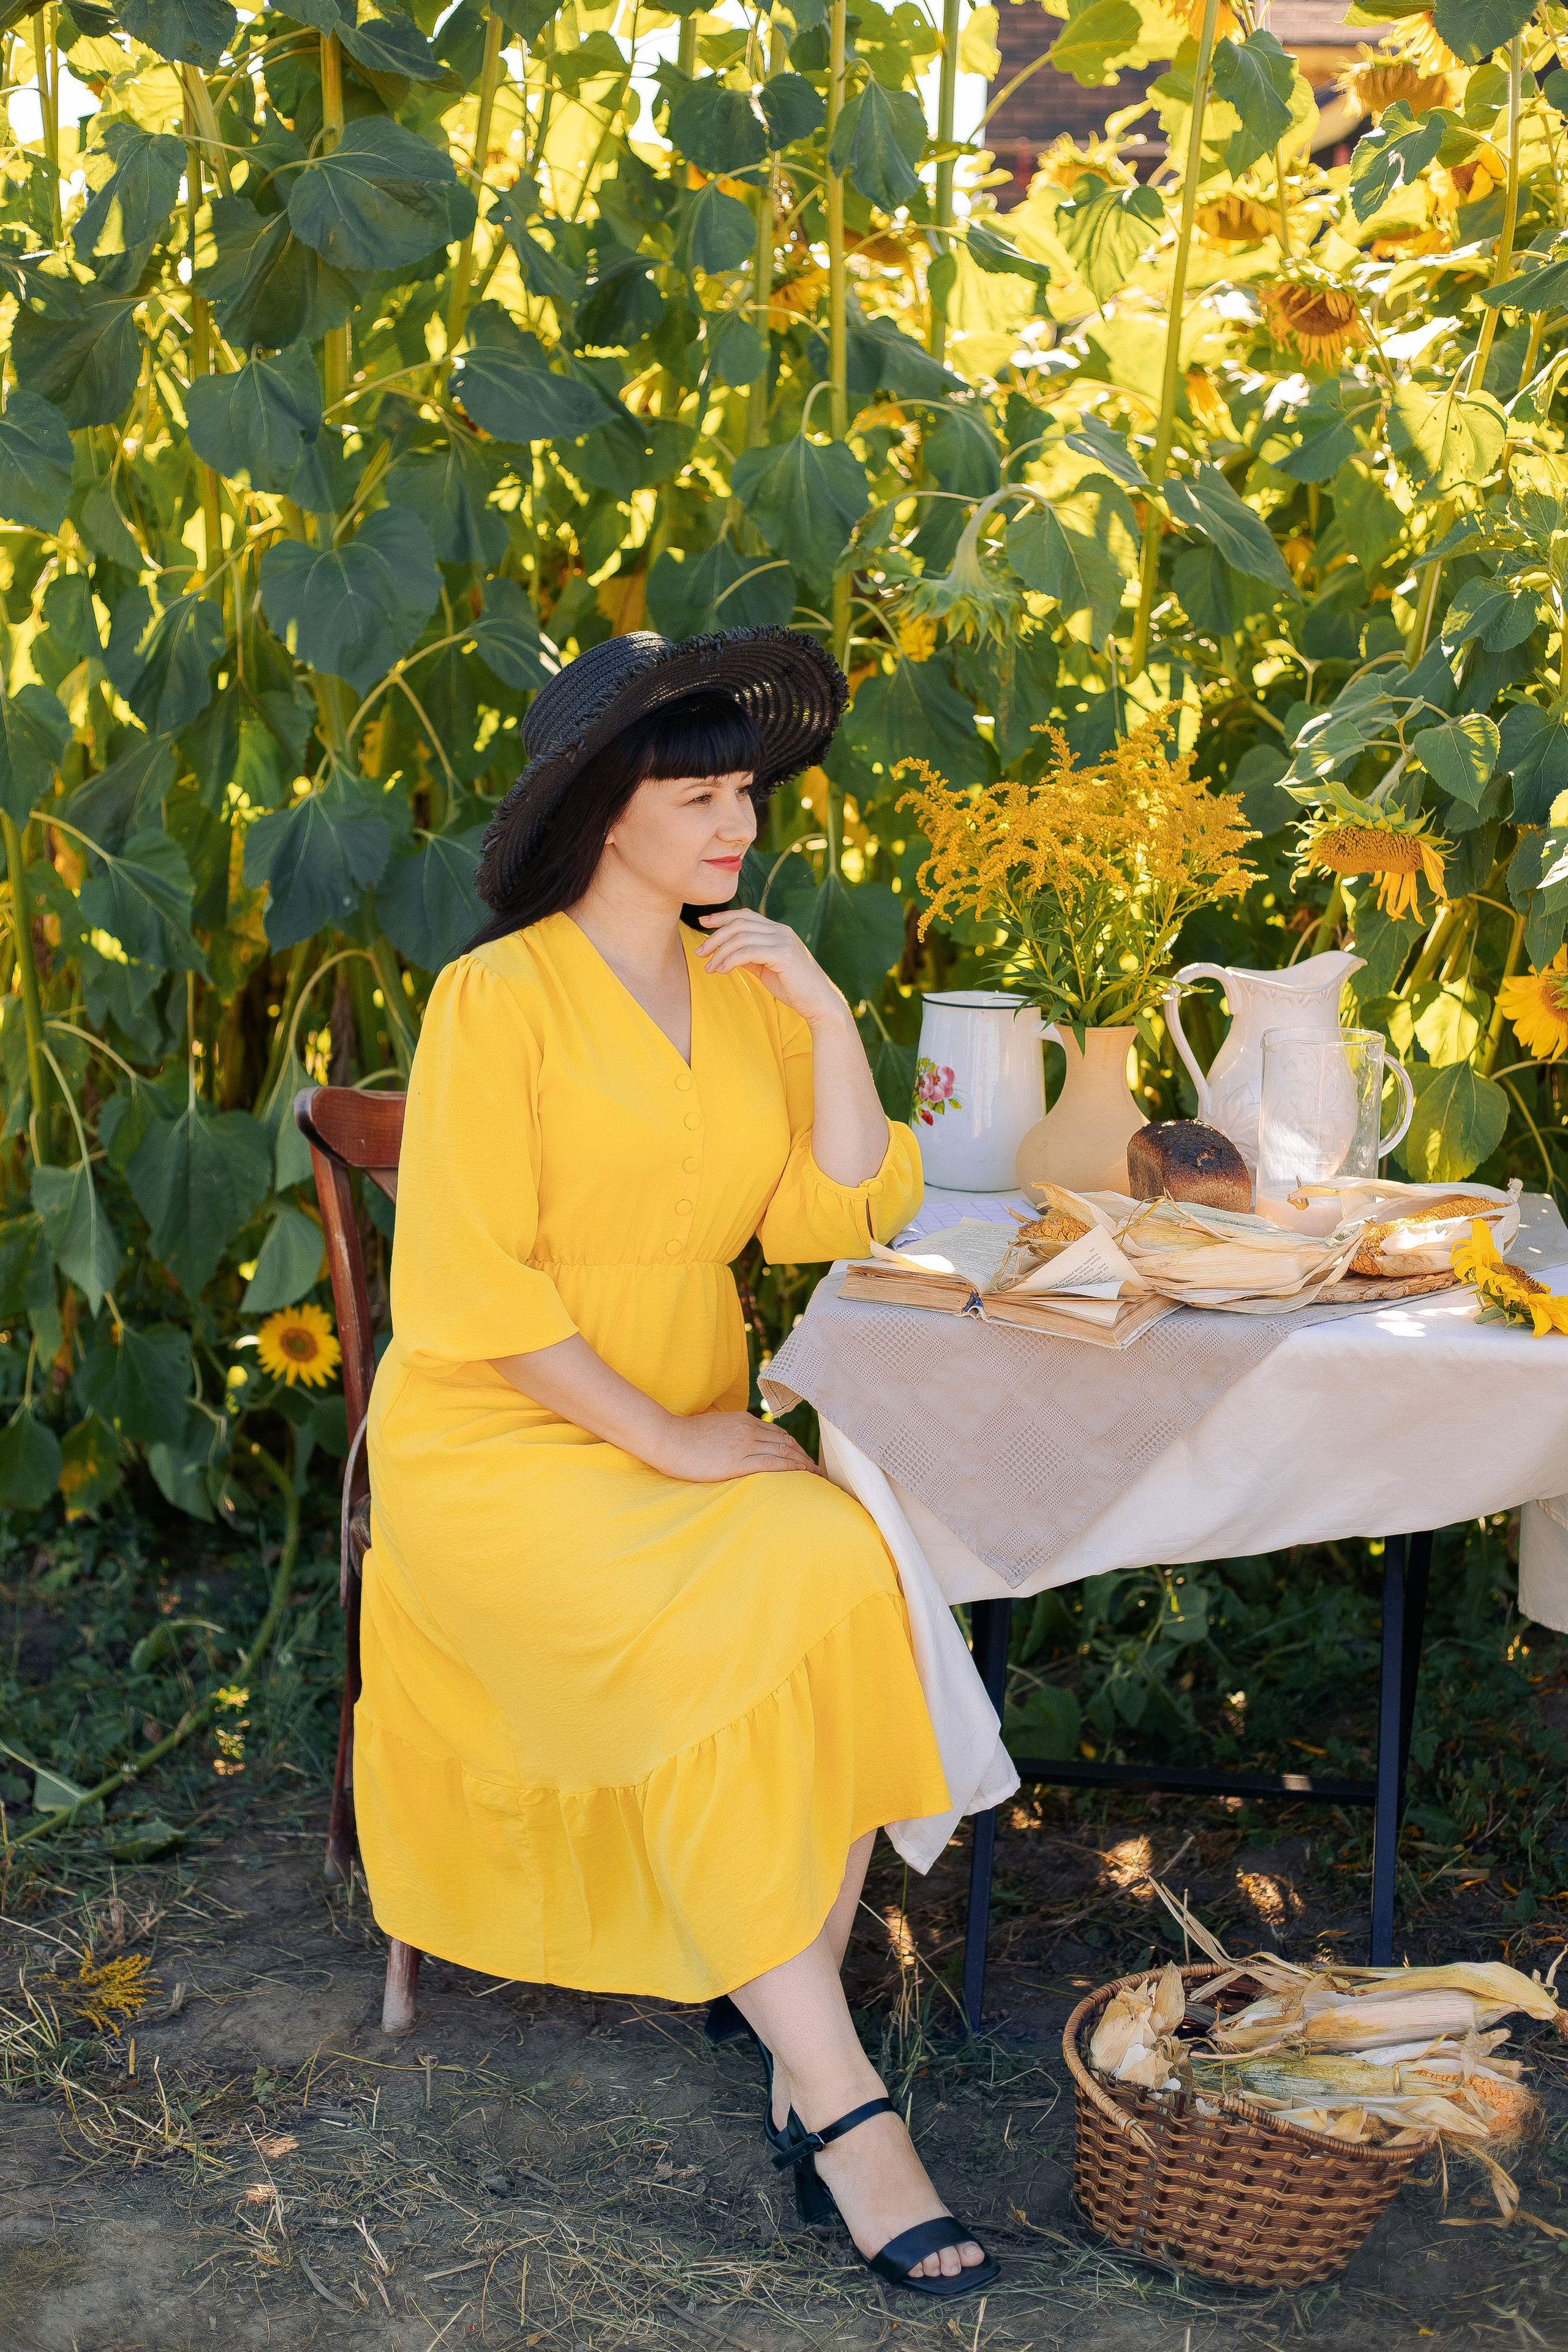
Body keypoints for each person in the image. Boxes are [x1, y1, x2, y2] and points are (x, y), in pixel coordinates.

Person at [358, 627, 998, 2299]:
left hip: (683, 1417)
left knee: (838, 1567)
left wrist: (834, 1016)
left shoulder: (744, 990)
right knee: (796, 1558)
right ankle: (848, 2106)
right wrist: (665, 1438)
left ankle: (804, 2066)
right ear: (605, 809)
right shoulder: (492, 998)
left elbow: (836, 1207)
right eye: (700, 795)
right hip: (508, 1438)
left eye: (747, 796)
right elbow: (471, 1293)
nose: (738, 826)